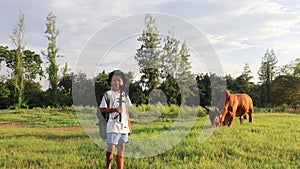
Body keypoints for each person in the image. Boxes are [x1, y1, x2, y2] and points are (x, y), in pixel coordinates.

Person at [99, 70, 132, 169]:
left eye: (119, 80)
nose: (116, 82)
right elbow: (102, 109)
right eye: (114, 80)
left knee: (121, 150)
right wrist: (114, 110)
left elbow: (126, 111)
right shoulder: (107, 95)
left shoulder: (125, 95)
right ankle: (108, 165)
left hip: (123, 127)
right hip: (112, 126)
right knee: (111, 150)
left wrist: (129, 126)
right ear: (110, 82)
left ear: (122, 82)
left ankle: (120, 167)